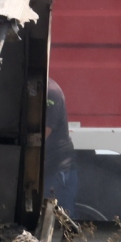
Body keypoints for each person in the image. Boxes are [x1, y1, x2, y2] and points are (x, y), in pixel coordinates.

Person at [42, 76, 77, 215]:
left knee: (64, 215)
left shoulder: (51, 92)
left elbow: (45, 130)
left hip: (58, 168)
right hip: (49, 166)